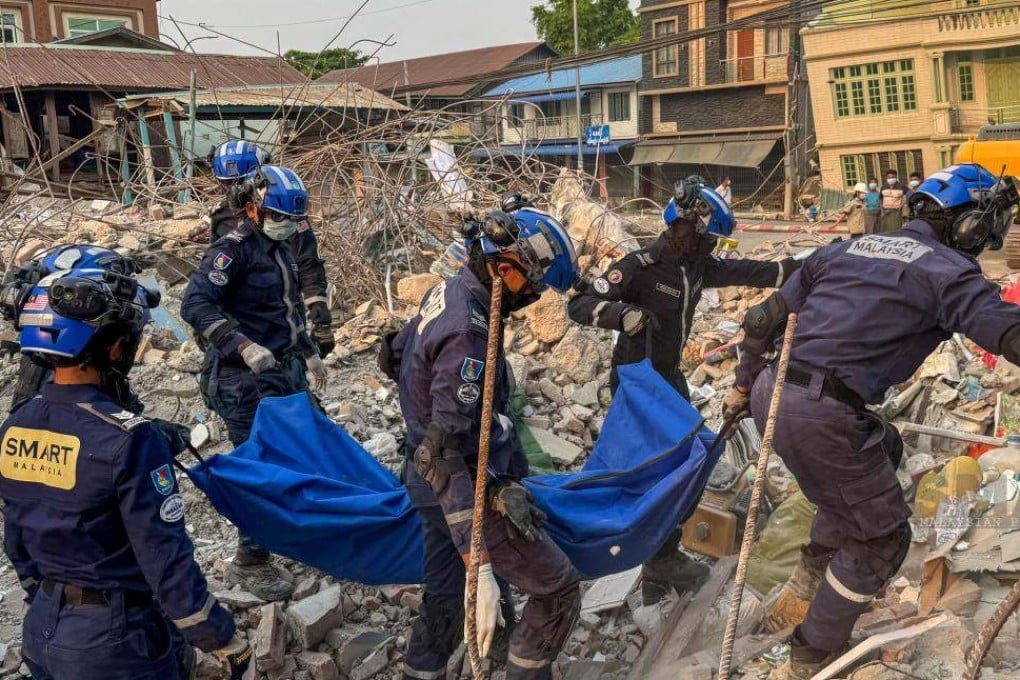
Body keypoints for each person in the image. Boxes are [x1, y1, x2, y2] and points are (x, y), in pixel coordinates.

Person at [722, 164, 1020, 679]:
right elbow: (1006, 333)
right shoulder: (948, 271)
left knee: (883, 449)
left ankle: (809, 580)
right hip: (822, 412)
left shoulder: (845, 248)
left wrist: (743, 386)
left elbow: (761, 320)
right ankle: (812, 653)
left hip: (775, 393)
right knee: (882, 539)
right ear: (969, 225)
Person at [0, 266, 250, 679]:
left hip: (42, 630)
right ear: (116, 348)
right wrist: (222, 639)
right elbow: (166, 561)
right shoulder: (131, 441)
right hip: (115, 645)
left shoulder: (16, 425)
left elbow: (18, 541)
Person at [567, 177, 800, 605]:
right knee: (642, 468)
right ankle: (608, 545)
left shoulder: (698, 268)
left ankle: (662, 558)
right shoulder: (639, 265)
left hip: (669, 379)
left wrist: (815, 264)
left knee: (685, 462)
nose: (713, 246)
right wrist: (622, 315)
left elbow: (757, 271)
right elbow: (578, 305)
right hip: (636, 383)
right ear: (685, 226)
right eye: (709, 237)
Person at [382, 208, 582, 680]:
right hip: (458, 488)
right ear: (505, 267)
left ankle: (423, 671)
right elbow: (442, 455)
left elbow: (393, 355)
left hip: (429, 483)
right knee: (557, 588)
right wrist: (483, 565)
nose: (533, 297)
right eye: (532, 285)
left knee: (448, 595)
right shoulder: (468, 332)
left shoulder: (448, 290)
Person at [182, 164, 328, 602]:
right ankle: (251, 558)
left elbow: (285, 308)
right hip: (242, 380)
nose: (288, 226)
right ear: (252, 208)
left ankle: (296, 529)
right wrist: (241, 345)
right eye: (279, 217)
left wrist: (308, 348)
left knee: (310, 445)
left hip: (282, 369)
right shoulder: (233, 250)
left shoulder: (278, 247)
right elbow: (195, 303)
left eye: (292, 219)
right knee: (258, 468)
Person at [206, 140, 334, 358]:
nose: (235, 190)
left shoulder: (282, 213)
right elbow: (211, 283)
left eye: (239, 182)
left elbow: (307, 264)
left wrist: (320, 320)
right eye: (228, 184)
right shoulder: (222, 218)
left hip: (285, 317)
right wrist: (211, 325)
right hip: (241, 324)